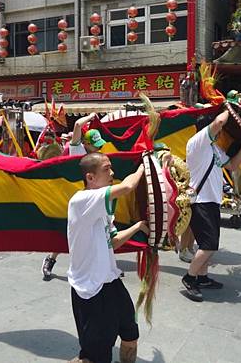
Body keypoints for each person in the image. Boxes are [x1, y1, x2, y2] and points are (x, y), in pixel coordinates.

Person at [67, 152, 149, 363]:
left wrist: (137, 227)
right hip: (90, 290)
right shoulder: (81, 200)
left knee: (131, 334)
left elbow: (112, 241)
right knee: (95, 357)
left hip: (110, 281)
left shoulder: (101, 208)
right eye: (106, 169)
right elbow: (128, 187)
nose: (112, 173)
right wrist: (145, 166)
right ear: (90, 177)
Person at [181, 110, 241, 301]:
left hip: (212, 201)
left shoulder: (214, 148)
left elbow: (231, 166)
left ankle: (202, 277)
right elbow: (220, 120)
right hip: (200, 201)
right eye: (218, 129)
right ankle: (190, 278)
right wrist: (230, 107)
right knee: (209, 244)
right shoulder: (196, 143)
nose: (221, 132)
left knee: (209, 243)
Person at [42, 113, 107, 280]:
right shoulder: (76, 149)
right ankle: (50, 260)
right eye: (95, 145)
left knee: (102, 229)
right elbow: (77, 124)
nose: (98, 148)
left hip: (93, 199)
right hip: (76, 200)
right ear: (86, 143)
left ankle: (107, 265)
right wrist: (91, 115)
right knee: (67, 233)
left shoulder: (97, 157)